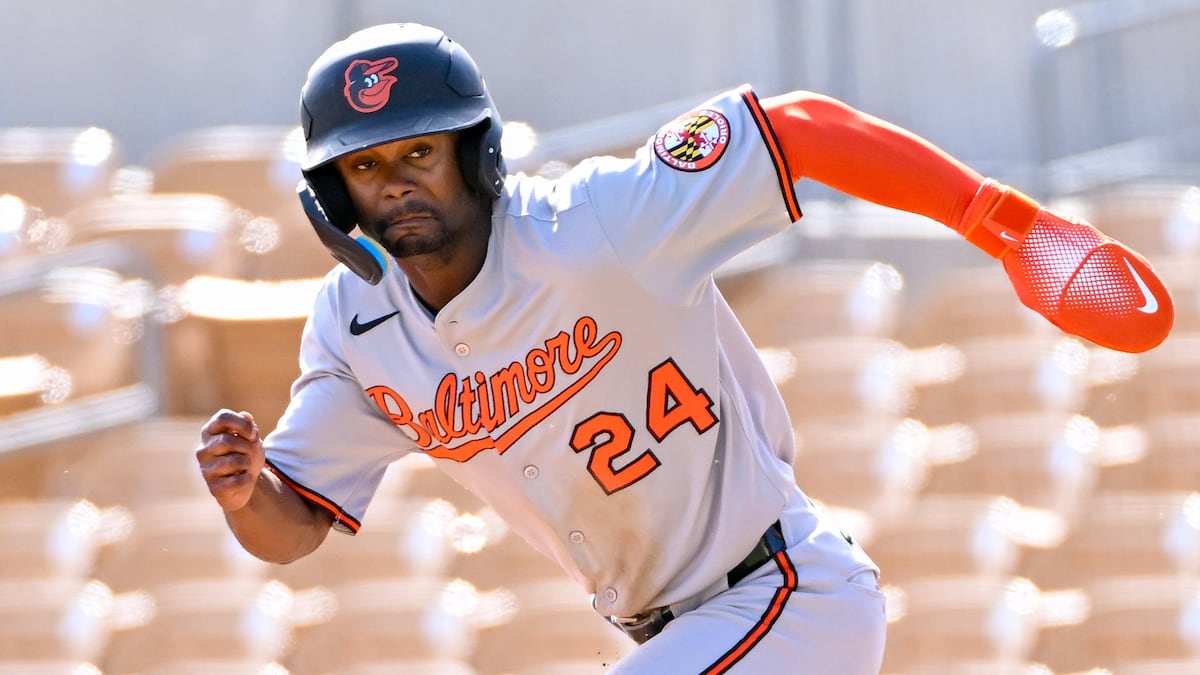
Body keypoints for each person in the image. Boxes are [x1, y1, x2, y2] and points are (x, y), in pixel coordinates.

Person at [195, 22, 1174, 673]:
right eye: (367, 166)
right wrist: (249, 495)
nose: (398, 182)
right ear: (334, 199)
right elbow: (295, 527)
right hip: (676, 640)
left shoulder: (598, 223)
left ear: (476, 152)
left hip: (784, 598)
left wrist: (994, 219)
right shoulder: (359, 330)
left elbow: (798, 131)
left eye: (420, 150)